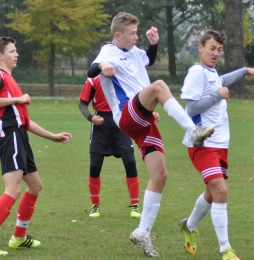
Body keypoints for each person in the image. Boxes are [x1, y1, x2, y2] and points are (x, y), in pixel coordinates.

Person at [87, 12, 214, 257]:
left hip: (142, 119)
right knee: (159, 86)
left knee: (160, 175)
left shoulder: (135, 53)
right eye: (132, 33)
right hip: (126, 114)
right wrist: (103, 65)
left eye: (137, 32)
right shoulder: (109, 51)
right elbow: (92, 69)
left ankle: (143, 232)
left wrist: (153, 43)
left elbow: (149, 59)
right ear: (117, 35)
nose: (136, 37)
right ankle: (192, 130)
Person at [179, 29, 254, 260]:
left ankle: (189, 226)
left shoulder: (211, 73)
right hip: (202, 143)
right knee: (221, 191)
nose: (215, 53)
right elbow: (192, 107)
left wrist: (245, 71)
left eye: (219, 50)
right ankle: (225, 249)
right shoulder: (196, 72)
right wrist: (218, 95)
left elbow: (222, 81)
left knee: (212, 193)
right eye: (212, 48)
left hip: (220, 144)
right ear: (200, 48)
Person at [0, 36, 72, 256]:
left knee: (35, 185)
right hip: (9, 135)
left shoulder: (11, 80)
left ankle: (19, 238)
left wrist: (52, 136)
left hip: (20, 134)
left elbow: (25, 121)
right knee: (13, 189)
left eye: (16, 50)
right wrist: (18, 99)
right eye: (12, 51)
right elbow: (14, 111)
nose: (16, 54)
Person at [79, 74, 147, 218]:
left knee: (130, 162)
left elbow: (139, 98)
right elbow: (82, 103)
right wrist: (91, 118)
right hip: (100, 124)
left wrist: (150, 113)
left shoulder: (123, 76)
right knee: (95, 166)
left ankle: (135, 205)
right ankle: (95, 205)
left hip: (121, 121)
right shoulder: (93, 80)